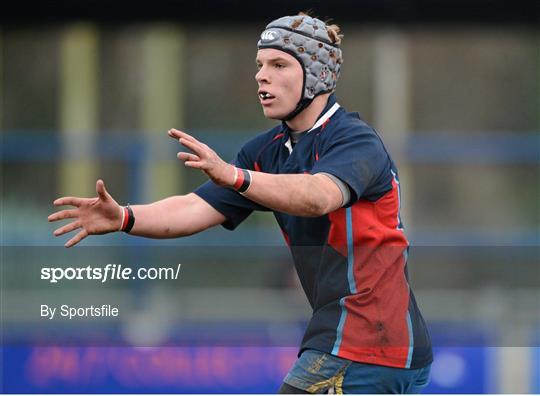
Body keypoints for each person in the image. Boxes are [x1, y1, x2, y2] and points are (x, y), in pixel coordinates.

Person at [49, 13, 433, 394]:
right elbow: (193, 208)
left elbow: (319, 196)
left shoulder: (354, 140)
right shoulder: (265, 150)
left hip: (368, 340)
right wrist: (125, 217)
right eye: (260, 64)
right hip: (362, 342)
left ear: (317, 74)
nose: (261, 75)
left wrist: (235, 176)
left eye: (279, 64)